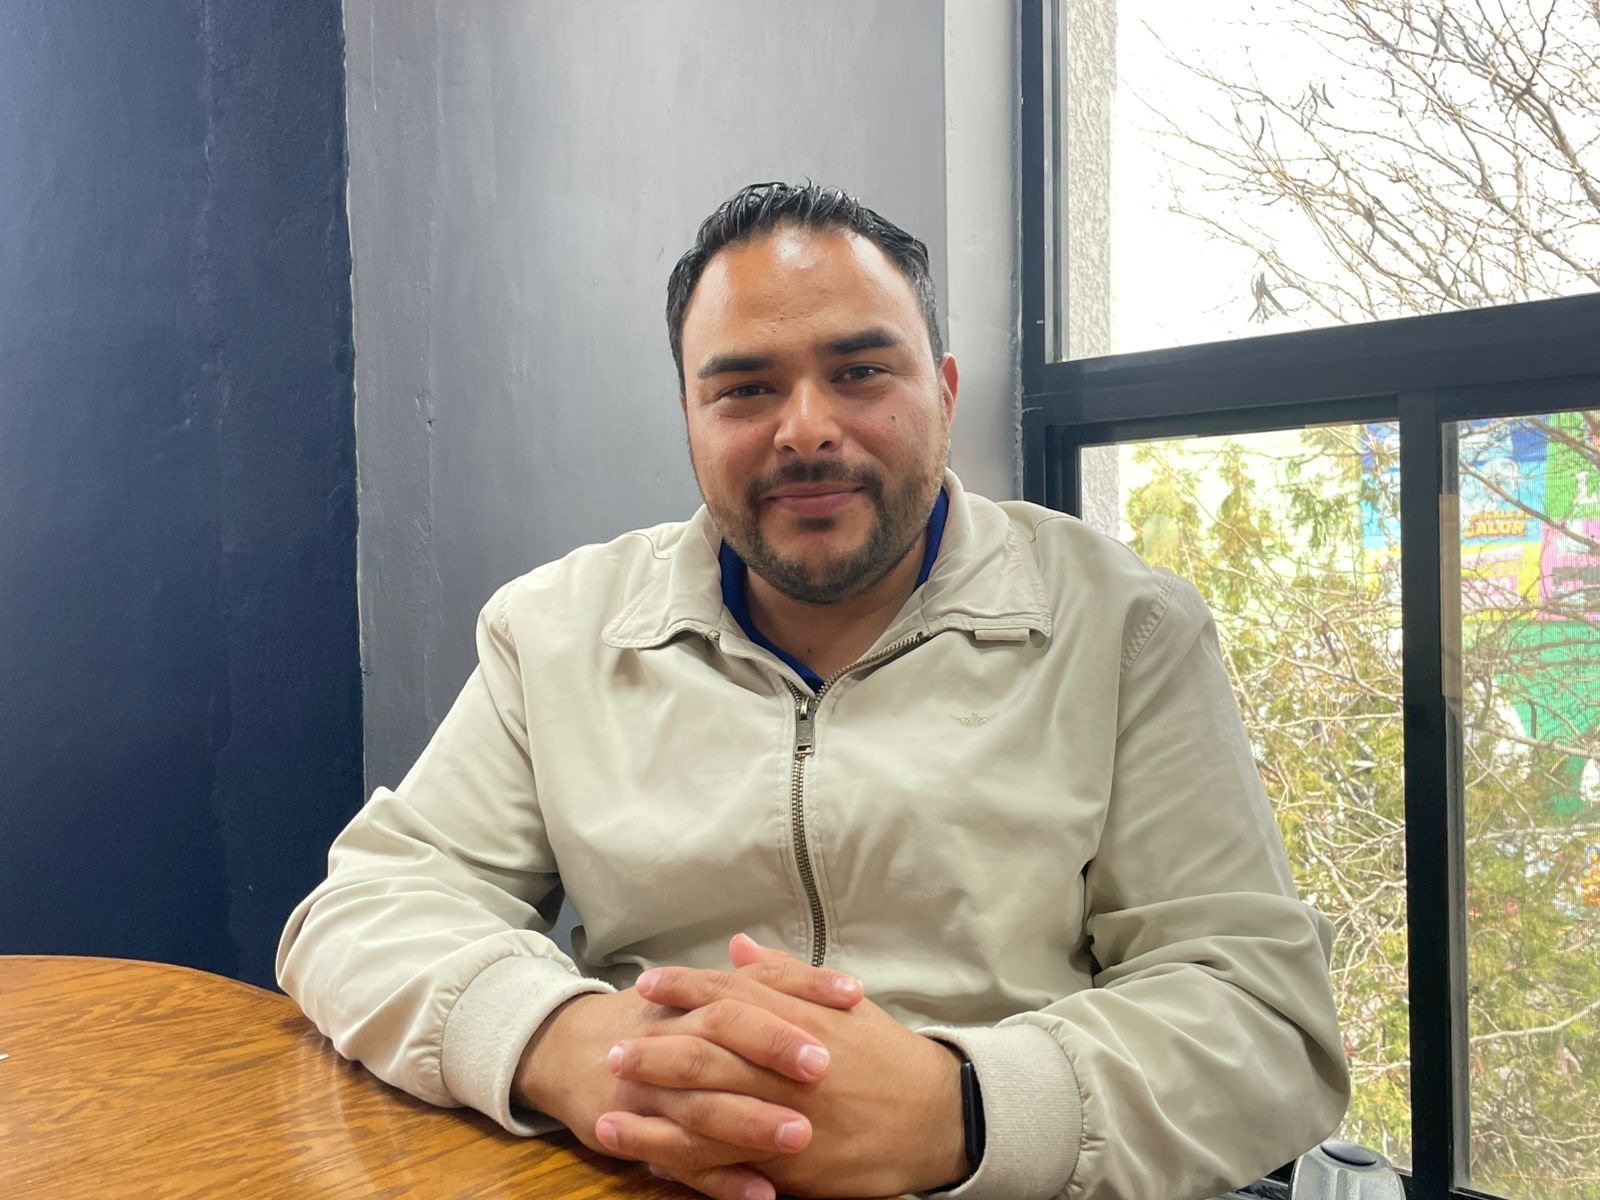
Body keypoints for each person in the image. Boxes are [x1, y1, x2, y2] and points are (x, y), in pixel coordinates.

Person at [278, 182, 1350, 1200]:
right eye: (744, 388)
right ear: (689, 416)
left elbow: (1261, 1025)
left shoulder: (1122, 627)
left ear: (943, 393)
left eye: (860, 372)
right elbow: (365, 911)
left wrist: (959, 1107)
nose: (804, 428)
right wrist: (572, 1045)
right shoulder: (554, 631)